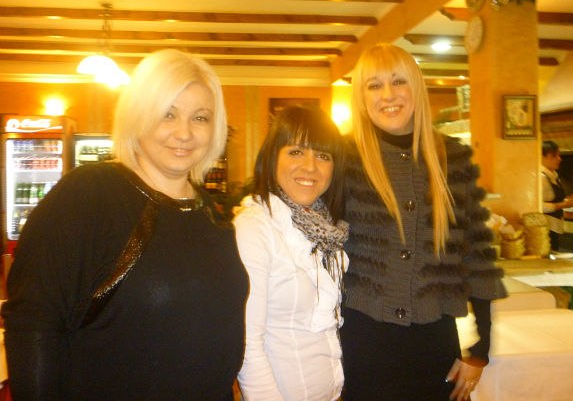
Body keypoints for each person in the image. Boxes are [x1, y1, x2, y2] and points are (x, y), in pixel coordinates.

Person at [1, 49, 249, 401]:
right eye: (168, 114)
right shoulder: (90, 194)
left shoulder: (209, 213)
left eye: (200, 118)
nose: (184, 133)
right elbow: (33, 321)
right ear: (138, 116)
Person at [340, 44, 506, 401]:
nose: (388, 95)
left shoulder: (452, 158)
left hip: (434, 342)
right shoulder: (343, 159)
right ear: (361, 99)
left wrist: (481, 348)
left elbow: (477, 255)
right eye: (374, 85)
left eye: (398, 81)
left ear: (416, 87)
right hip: (361, 342)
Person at [233, 105, 349, 401]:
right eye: (296, 152)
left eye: (323, 155)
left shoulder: (325, 228)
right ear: (273, 158)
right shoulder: (255, 227)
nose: (310, 167)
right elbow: (247, 343)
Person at [541, 140, 573, 251]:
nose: (559, 159)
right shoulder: (541, 177)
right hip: (544, 229)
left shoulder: (553, 175)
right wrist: (563, 205)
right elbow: (538, 205)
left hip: (554, 226)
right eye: (554, 156)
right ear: (542, 157)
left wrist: (571, 200)